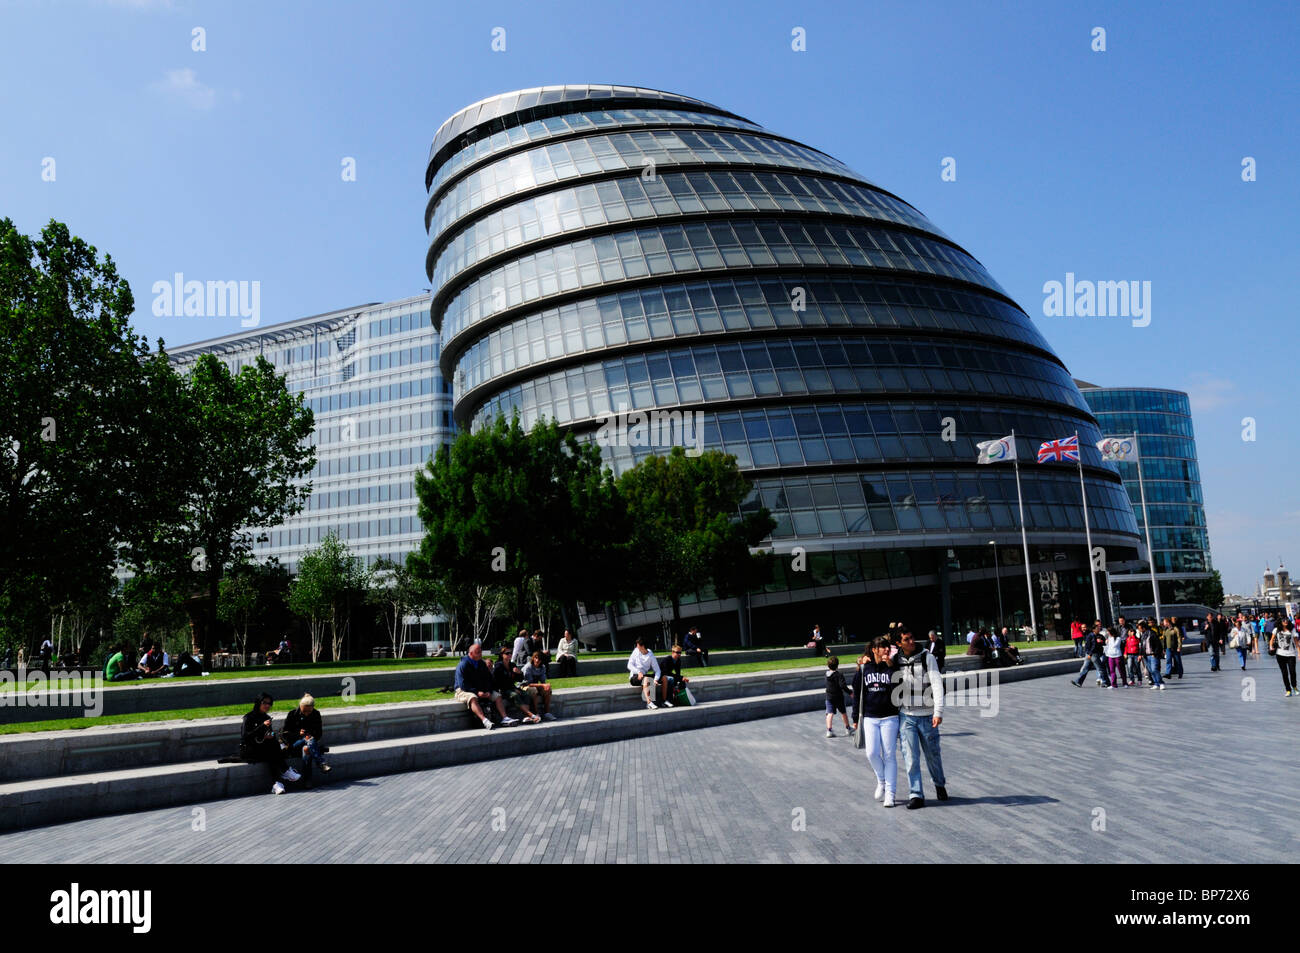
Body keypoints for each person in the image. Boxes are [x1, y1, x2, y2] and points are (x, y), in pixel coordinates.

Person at [895, 629, 947, 808]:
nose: (911, 641)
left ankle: (939, 784)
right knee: (910, 757)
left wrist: (938, 711)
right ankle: (916, 794)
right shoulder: (896, 660)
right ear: (899, 643)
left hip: (927, 716)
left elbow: (937, 683)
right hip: (906, 716)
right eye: (906, 639)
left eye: (912, 637)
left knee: (933, 755)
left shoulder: (927, 657)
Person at [853, 636, 900, 808]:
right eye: (882, 647)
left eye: (887, 647)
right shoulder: (865, 667)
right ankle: (881, 779)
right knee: (871, 753)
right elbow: (857, 692)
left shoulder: (893, 667)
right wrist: (855, 717)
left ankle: (890, 793)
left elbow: (899, 689)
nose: (886, 650)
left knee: (889, 756)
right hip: (870, 717)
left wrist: (891, 667)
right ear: (874, 650)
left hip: (890, 717)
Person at [240, 693, 299, 794]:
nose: (267, 705)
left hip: (264, 748)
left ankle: (277, 784)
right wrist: (262, 726)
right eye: (264, 703)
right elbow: (245, 736)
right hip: (249, 750)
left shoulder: (266, 717)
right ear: (258, 703)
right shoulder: (249, 717)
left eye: (269, 703)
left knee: (272, 749)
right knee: (273, 749)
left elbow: (267, 734)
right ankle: (285, 771)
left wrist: (269, 735)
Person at [454, 643, 517, 729]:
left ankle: (504, 718)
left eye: (481, 652)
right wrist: (477, 692)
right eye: (478, 652)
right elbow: (463, 684)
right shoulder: (463, 665)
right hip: (463, 690)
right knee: (472, 697)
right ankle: (485, 721)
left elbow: (488, 679)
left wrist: (488, 691)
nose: (481, 654)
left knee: (497, 696)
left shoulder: (481, 664)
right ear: (471, 653)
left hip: (481, 689)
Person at [281, 694, 330, 783]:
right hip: (294, 745)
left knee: (306, 749)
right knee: (308, 741)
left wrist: (311, 735)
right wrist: (298, 734)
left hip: (309, 746)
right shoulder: (292, 714)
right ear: (300, 706)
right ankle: (321, 763)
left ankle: (307, 781)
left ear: (313, 708)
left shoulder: (316, 714)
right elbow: (285, 734)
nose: (307, 713)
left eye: (309, 711)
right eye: (304, 711)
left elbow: (319, 734)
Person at [492, 647, 541, 723]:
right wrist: (513, 688)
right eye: (507, 653)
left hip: (512, 688)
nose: (509, 655)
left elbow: (520, 679)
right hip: (503, 689)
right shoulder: (498, 666)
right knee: (515, 695)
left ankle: (526, 717)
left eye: (510, 653)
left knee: (526, 694)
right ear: (502, 655)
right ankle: (531, 715)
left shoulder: (512, 665)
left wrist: (519, 673)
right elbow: (499, 681)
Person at [627, 637, 669, 710]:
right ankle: (649, 703)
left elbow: (657, 670)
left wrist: (656, 679)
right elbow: (629, 665)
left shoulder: (650, 655)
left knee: (664, 678)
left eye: (638, 645)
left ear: (642, 646)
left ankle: (664, 701)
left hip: (644, 676)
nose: (637, 647)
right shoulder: (636, 651)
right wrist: (638, 672)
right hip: (634, 676)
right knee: (647, 679)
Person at [1071, 621, 1111, 688]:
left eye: (1099, 628)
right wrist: (1089, 653)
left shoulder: (1100, 636)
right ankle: (1078, 681)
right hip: (1091, 654)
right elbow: (1089, 646)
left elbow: (1104, 643)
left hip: (1095, 654)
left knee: (1100, 668)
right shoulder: (1090, 636)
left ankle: (1106, 682)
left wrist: (1101, 642)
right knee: (1088, 668)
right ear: (1093, 630)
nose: (1099, 629)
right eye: (1097, 628)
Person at [520, 651, 556, 721]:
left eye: (539, 659)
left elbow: (543, 681)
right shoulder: (528, 667)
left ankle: (547, 713)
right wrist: (543, 685)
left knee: (547, 690)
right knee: (534, 690)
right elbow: (528, 683)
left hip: (534, 685)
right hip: (523, 686)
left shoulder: (542, 667)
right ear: (533, 658)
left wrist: (546, 686)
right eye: (535, 658)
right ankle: (536, 713)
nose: (537, 660)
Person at [824, 656, 853, 737]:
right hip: (838, 697)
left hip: (829, 697)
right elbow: (842, 685)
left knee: (829, 713)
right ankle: (848, 728)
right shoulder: (839, 674)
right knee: (843, 712)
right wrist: (850, 692)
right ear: (837, 665)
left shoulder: (826, 674)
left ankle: (829, 730)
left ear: (828, 665)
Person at [1269, 620, 1298, 696]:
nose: (1286, 621)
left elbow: (1296, 641)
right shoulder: (1276, 630)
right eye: (1283, 620)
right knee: (1284, 673)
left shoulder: (1292, 629)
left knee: (1292, 672)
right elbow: (1271, 639)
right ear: (1280, 622)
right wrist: (1271, 647)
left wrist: (1299, 652)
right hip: (1280, 654)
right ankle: (1288, 690)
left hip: (1291, 654)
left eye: (1286, 620)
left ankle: (1294, 687)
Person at [662, 643, 690, 707]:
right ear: (672, 652)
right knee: (671, 679)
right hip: (661, 675)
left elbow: (678, 673)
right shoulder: (667, 659)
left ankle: (679, 699)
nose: (679, 654)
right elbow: (666, 672)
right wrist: (680, 677)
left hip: (667, 675)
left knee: (680, 681)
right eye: (677, 653)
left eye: (680, 652)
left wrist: (681, 679)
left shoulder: (678, 660)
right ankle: (666, 701)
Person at [1140, 621, 1166, 690]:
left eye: (1140, 628)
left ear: (1144, 628)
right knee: (1151, 670)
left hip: (1153, 655)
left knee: (1155, 669)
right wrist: (1140, 654)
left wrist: (1155, 653)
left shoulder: (1152, 634)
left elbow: (1158, 645)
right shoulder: (1143, 635)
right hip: (1146, 655)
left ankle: (1161, 683)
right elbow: (1142, 646)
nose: (1139, 630)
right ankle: (1156, 683)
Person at [1103, 624, 1125, 688]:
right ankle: (1113, 684)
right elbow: (1108, 646)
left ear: (1111, 632)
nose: (1107, 633)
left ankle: (1124, 683)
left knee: (1121, 670)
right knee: (1112, 671)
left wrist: (1109, 641)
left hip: (1117, 656)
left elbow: (1114, 646)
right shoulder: (1109, 638)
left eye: (1108, 632)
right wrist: (1107, 642)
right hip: (1110, 656)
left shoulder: (1118, 638)